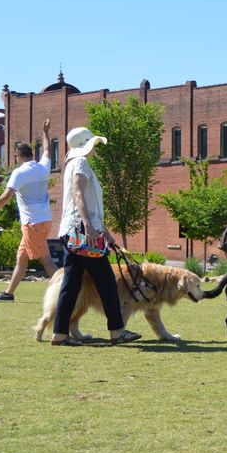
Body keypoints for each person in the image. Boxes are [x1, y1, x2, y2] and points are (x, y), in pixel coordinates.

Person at [49, 127, 141, 347]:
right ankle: (116, 331)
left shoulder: (71, 164)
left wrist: (104, 232)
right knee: (107, 281)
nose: (94, 149)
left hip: (74, 231)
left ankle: (60, 333)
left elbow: (87, 202)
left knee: (71, 283)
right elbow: (78, 194)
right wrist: (90, 227)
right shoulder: (80, 163)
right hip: (82, 232)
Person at [0, 119, 58, 302]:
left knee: (46, 260)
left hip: (32, 223)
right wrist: (45, 132)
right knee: (22, 259)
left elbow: (6, 196)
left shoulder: (19, 173)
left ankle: (66, 290)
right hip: (44, 221)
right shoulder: (43, 167)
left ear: (18, 156)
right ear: (32, 154)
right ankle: (8, 293)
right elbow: (48, 150)